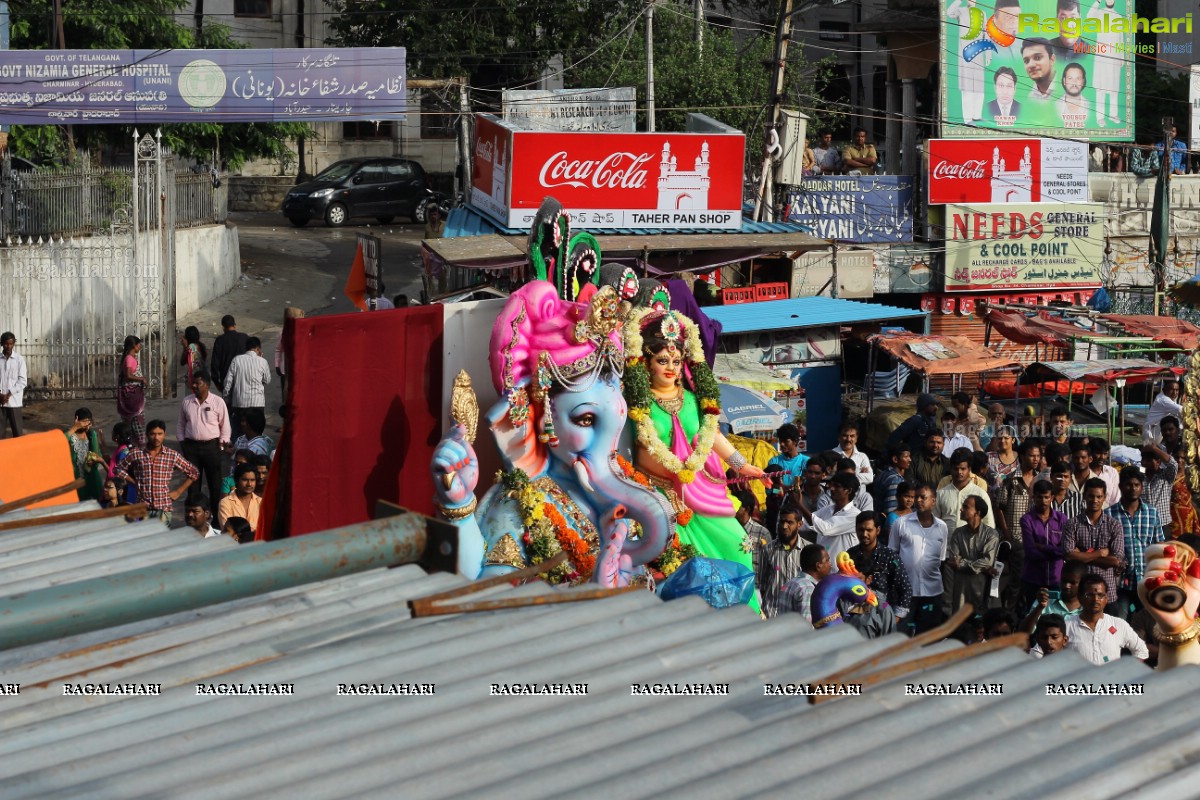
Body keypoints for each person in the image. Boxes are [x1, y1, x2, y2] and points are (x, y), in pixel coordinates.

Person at [628, 311, 764, 611]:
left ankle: (751, 614)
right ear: (647, 362)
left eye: (676, 362)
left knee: (738, 545)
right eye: (663, 360)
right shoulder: (636, 404)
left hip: (701, 492)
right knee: (681, 569)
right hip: (660, 497)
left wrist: (742, 465)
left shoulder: (691, 399)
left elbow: (711, 434)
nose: (670, 368)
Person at [113, 419, 198, 525]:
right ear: (147, 435)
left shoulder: (172, 455)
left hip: (163, 508)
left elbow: (194, 473)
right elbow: (118, 469)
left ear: (164, 434)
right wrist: (134, 482)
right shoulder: (137, 453)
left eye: (159, 434)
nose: (156, 438)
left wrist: (178, 492)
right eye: (152, 434)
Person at [1106, 466, 1162, 619]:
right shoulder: (1109, 514)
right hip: (1121, 582)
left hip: (1147, 580)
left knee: (1149, 623)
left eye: (1137, 485)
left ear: (1141, 487)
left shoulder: (1152, 513)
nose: (1133, 488)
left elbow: (1159, 545)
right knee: (1120, 622)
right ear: (1121, 486)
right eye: (1128, 484)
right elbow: (1105, 547)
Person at [892, 484, 949, 634]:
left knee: (928, 637)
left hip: (933, 592)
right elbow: (892, 555)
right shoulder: (900, 523)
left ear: (933, 501)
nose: (918, 500)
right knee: (902, 635)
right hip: (905, 592)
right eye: (916, 496)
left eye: (923, 497)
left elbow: (941, 559)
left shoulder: (942, 527)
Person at [1063, 478, 1125, 612]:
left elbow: (1116, 561)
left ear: (1104, 498)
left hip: (1107, 594)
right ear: (1084, 496)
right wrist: (1100, 553)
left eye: (1099, 496)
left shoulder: (1114, 525)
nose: (1095, 500)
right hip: (1080, 594)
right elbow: (1068, 555)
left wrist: (1082, 555)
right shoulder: (1072, 524)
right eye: (1091, 496)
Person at [178, 370, 231, 520]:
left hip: (212, 447)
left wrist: (221, 445)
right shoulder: (187, 402)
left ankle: (215, 517)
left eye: (198, 383)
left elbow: (225, 426)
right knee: (193, 484)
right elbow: (181, 425)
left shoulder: (217, 402)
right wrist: (183, 443)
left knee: (215, 484)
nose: (194, 386)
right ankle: (194, 516)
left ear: (207, 385)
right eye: (193, 383)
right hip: (191, 448)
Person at [1065, 573, 1148, 665]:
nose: (1095, 599)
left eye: (1100, 595)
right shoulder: (1068, 626)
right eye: (1090, 595)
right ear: (1080, 598)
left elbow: (1142, 650)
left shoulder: (1118, 625)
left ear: (1106, 598)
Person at [847, 511, 911, 624]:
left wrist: (895, 617)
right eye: (861, 530)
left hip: (884, 614)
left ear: (878, 530)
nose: (864, 534)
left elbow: (905, 587)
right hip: (855, 616)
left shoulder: (890, 556)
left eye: (869, 530)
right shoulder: (850, 555)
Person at [947, 494, 1001, 614]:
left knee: (980, 624)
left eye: (966, 507)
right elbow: (953, 559)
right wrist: (983, 567)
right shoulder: (958, 533)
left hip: (981, 588)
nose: (961, 509)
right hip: (961, 588)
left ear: (977, 512)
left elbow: (987, 561)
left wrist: (962, 563)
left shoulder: (991, 534)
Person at [1020, 479, 1068, 612]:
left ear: (1052, 497)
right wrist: (1056, 552)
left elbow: (1066, 550)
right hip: (1034, 579)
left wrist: (1043, 547)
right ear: (1033, 497)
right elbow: (1030, 552)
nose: (1043, 500)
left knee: (1057, 616)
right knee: (1033, 617)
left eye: (1046, 497)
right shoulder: (1027, 519)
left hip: (1056, 579)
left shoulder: (1062, 518)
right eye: (1039, 497)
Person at [794, 471, 861, 563]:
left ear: (848, 491)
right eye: (831, 485)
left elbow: (825, 529)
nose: (832, 489)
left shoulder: (854, 515)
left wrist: (799, 505)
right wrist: (791, 522)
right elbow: (803, 524)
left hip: (842, 572)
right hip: (822, 569)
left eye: (837, 486)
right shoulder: (827, 509)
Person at [757, 508, 812, 618]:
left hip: (799, 615)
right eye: (782, 522)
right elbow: (762, 584)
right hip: (772, 613)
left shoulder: (808, 550)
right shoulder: (768, 549)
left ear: (799, 524)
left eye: (789, 522)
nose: (784, 526)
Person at [936, 448, 995, 534]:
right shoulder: (941, 493)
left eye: (963, 469)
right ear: (951, 469)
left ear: (969, 469)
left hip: (973, 545)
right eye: (956, 469)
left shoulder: (980, 494)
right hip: (947, 544)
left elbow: (989, 523)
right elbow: (934, 521)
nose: (959, 472)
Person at [764, 422, 809, 535]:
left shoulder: (806, 462)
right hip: (777, 512)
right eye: (781, 441)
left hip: (799, 510)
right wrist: (778, 491)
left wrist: (785, 490)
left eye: (786, 441)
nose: (782, 444)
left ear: (795, 442)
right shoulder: (774, 462)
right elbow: (769, 490)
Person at [1020, 561, 1085, 634]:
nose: (1067, 586)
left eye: (1072, 583)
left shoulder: (1088, 607)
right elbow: (1024, 632)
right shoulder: (1045, 600)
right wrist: (1039, 607)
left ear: (1082, 584)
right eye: (1064, 581)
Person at [224, 337, 271, 436]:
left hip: (240, 403)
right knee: (257, 432)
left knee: (240, 432)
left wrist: (227, 399)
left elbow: (228, 383)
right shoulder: (263, 361)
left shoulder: (236, 360)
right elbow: (267, 380)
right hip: (257, 403)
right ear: (258, 349)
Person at [777, 544, 831, 626]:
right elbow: (807, 625)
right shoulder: (808, 588)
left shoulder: (790, 583)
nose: (830, 564)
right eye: (827, 560)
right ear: (818, 566)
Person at [65, 407, 107, 502]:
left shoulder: (91, 434)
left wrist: (94, 461)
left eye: (88, 422)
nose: (85, 425)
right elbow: (61, 440)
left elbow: (97, 454)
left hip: (91, 477)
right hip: (75, 477)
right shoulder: (70, 433)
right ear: (76, 421)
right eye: (83, 422)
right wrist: (75, 427)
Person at [1140, 442, 1178, 538]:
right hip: (1143, 526)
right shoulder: (1139, 477)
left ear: (1158, 462)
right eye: (1143, 460)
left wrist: (1154, 448)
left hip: (1162, 526)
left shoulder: (1165, 476)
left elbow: (1173, 464)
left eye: (1149, 460)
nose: (1145, 463)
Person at [117, 335, 148, 448]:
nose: (140, 346)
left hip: (134, 395)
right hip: (132, 396)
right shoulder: (129, 359)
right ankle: (139, 445)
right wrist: (142, 379)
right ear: (134, 346)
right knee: (136, 421)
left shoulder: (130, 358)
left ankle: (134, 444)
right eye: (139, 344)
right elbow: (128, 375)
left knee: (133, 421)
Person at [872, 445, 911, 534]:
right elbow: (891, 510)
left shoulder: (884, 474)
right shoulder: (895, 480)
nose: (910, 459)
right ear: (895, 459)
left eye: (909, 456)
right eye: (906, 457)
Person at [734, 489, 772, 575]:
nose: (733, 509)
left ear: (747, 509)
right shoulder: (729, 530)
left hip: (756, 583)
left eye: (737, 506)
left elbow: (768, 561)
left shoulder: (762, 533)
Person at [209, 315, 248, 392]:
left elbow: (215, 363)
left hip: (226, 381)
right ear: (234, 325)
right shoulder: (244, 337)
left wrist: (217, 382)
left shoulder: (220, 341)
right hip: (244, 379)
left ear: (223, 327)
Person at [274, 308, 305, 404]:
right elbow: (278, 349)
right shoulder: (282, 333)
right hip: (285, 371)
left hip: (301, 369)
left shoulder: (304, 332)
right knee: (287, 397)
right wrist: (277, 364)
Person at [218, 462, 262, 530]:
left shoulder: (261, 502)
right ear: (236, 481)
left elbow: (264, 529)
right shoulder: (225, 503)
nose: (249, 484)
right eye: (245, 480)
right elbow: (229, 531)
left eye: (252, 480)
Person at [0, 331, 27, 438]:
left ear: (14, 344)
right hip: (0, 403)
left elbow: (22, 381)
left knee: (17, 433)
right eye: (6, 344)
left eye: (11, 344)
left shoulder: (19, 360)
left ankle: (20, 454)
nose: (9, 346)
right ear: (1, 344)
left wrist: (9, 394)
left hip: (14, 402)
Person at [830, 422, 872, 486]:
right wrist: (857, 474)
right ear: (839, 437)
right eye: (845, 435)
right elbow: (827, 477)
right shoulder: (831, 455)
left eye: (852, 436)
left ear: (856, 438)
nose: (848, 439)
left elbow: (870, 478)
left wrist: (839, 474)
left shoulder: (862, 457)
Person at [1089, 436, 1120, 506]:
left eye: (1105, 454)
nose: (1102, 457)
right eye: (1098, 453)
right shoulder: (1084, 472)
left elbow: (1115, 499)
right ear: (1090, 453)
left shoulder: (1112, 472)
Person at [1057, 62, 1089, 127]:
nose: (1074, 82)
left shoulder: (1089, 106)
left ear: (1083, 81)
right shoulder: (1055, 105)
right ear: (1064, 81)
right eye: (1070, 78)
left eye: (1078, 78)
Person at [179, 325, 208, 390]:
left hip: (195, 379)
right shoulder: (201, 345)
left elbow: (183, 362)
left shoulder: (191, 346)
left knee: (191, 399)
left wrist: (185, 346)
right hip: (203, 377)